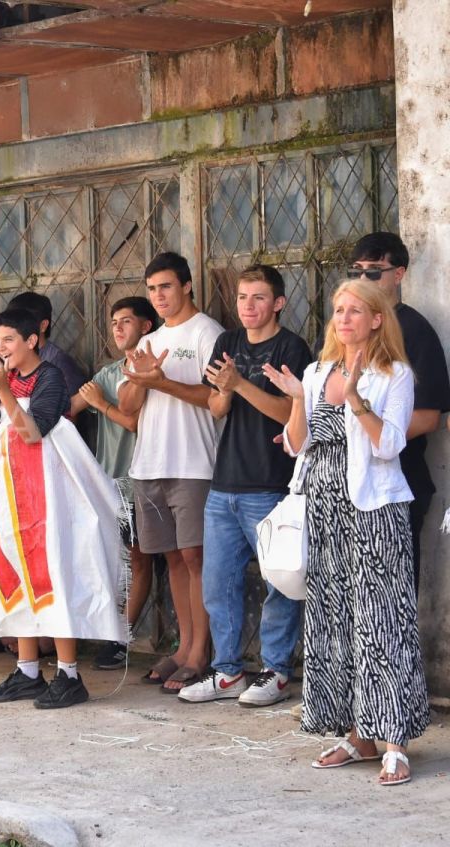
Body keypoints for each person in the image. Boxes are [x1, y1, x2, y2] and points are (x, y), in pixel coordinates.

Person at [265, 279, 428, 787]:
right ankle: (359, 734)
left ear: (377, 318)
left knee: (382, 623)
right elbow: (296, 445)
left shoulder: (394, 375)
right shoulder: (317, 372)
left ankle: (394, 740)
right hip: (324, 510)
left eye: (355, 311)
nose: (344, 319)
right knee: (334, 621)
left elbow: (388, 446)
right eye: (338, 310)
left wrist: (356, 399)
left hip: (374, 512)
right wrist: (297, 398)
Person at [176, 266, 312, 707]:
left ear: (278, 303)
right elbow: (216, 408)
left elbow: (291, 415)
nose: (248, 306)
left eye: (258, 298)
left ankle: (275, 671)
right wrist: (226, 389)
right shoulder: (228, 343)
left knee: (278, 583)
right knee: (219, 583)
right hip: (224, 483)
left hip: (270, 484)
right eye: (241, 298)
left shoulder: (291, 347)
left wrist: (239, 385)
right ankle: (228, 672)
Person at [0, 308, 84, 708]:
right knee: (17, 575)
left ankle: (69, 673)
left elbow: (32, 432)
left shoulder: (51, 377)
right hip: (15, 492)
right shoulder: (9, 378)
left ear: (32, 341)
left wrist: (1, 391)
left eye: (9, 340)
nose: (0, 348)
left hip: (49, 494)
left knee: (52, 577)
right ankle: (28, 669)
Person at [119, 252, 224, 692]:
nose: (159, 296)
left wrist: (160, 381)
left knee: (197, 558)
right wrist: (141, 379)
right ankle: (183, 646)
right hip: (149, 463)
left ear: (186, 286)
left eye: (165, 286)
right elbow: (126, 408)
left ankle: (202, 652)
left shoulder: (208, 333)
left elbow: (216, 398)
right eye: (152, 289)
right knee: (172, 560)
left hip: (193, 461)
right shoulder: (148, 339)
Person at [345, 233, 450, 593]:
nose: (363, 280)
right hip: (344, 486)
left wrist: (369, 434)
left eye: (374, 271)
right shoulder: (341, 330)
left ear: (399, 274)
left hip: (396, 485)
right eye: (356, 271)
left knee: (392, 597)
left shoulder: (415, 331)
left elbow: (428, 416)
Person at [68, 297, 155, 670]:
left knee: (139, 559)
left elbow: (133, 420)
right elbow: (68, 408)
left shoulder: (152, 368)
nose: (117, 329)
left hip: (143, 479)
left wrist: (101, 406)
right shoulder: (107, 372)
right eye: (113, 322)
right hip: (108, 483)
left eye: (126, 322)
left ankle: (123, 635)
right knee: (111, 557)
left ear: (146, 327)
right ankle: (108, 630)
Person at [7, 291, 87, 397]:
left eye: (21, 322)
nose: (13, 328)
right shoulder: (10, 360)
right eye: (10, 322)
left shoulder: (59, 364)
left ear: (43, 325)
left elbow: (68, 411)